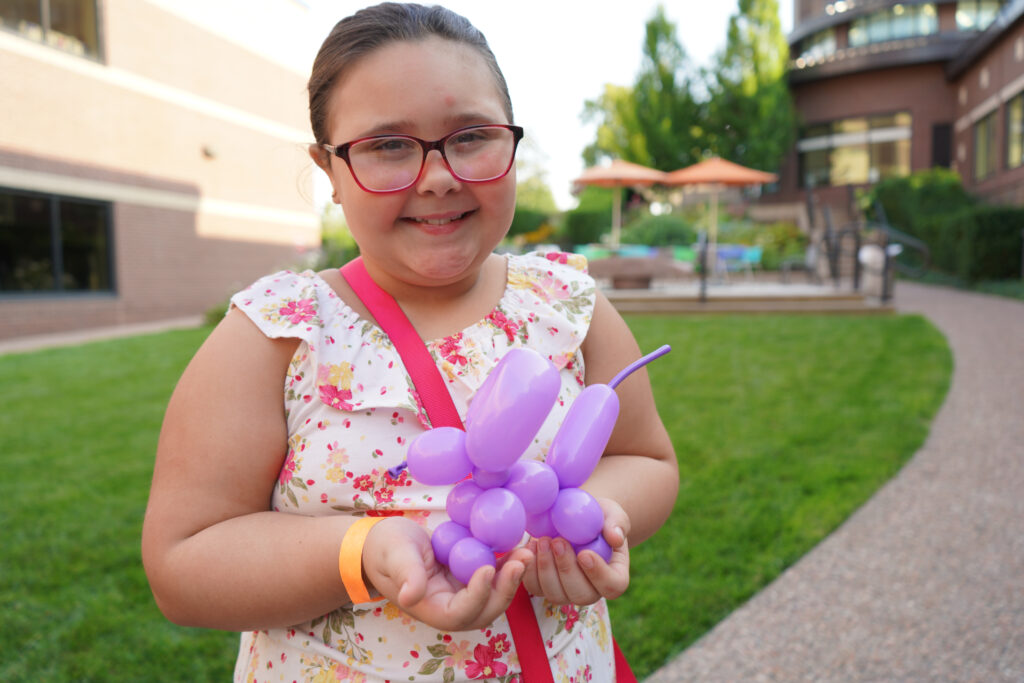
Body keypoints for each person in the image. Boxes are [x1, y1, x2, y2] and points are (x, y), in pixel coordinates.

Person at [141, 3, 678, 681]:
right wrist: (361, 551)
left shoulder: (567, 306)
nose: (437, 175)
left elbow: (647, 457)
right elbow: (182, 563)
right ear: (330, 170)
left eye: (471, 136)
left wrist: (593, 516)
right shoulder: (277, 335)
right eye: (388, 145)